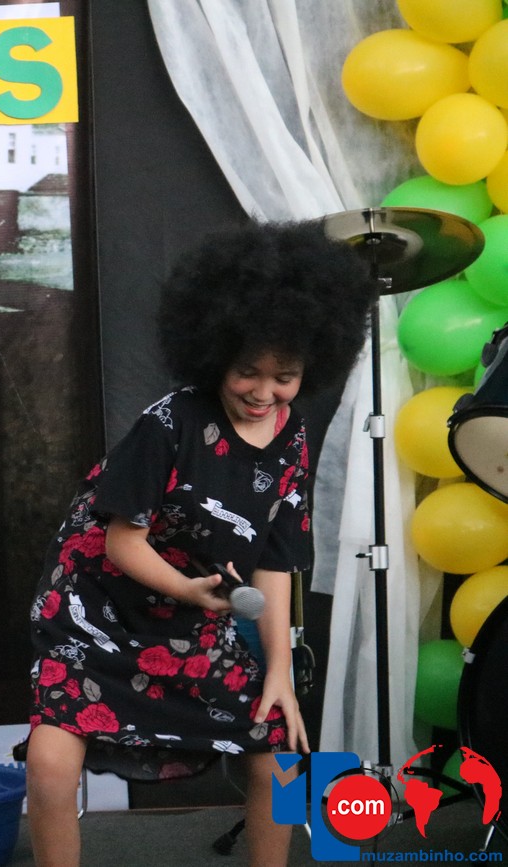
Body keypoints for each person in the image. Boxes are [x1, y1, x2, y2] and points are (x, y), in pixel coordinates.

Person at [23, 220, 376, 867]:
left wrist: (279, 670)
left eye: (285, 376)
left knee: (278, 751)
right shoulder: (169, 423)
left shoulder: (292, 434)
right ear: (216, 353)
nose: (263, 392)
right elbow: (122, 542)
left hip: (194, 615)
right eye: (247, 372)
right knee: (49, 764)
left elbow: (275, 561)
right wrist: (188, 589)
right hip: (97, 608)